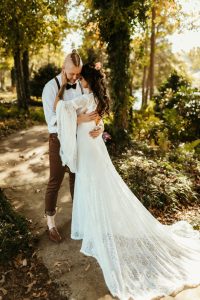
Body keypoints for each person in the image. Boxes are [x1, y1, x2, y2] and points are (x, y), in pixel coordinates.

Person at [54, 63, 200, 300]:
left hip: (91, 149)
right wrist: (93, 124)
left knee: (92, 184)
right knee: (98, 184)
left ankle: (95, 226)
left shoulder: (84, 98)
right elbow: (91, 119)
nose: (78, 81)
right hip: (95, 147)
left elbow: (59, 107)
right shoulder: (95, 99)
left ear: (88, 81)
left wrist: (75, 108)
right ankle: (95, 224)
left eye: (81, 78)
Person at [42, 50, 103, 243]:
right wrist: (77, 119)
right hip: (58, 139)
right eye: (71, 74)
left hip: (79, 140)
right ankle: (51, 224)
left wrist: (100, 127)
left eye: (78, 74)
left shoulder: (82, 85)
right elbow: (51, 121)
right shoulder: (50, 88)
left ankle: (80, 220)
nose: (75, 77)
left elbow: (94, 110)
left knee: (77, 180)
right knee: (55, 181)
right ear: (63, 68)